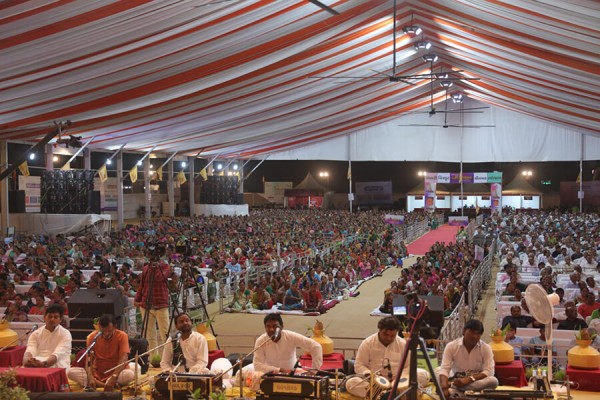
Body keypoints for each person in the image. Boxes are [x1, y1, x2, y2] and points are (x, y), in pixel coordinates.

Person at [355, 316, 430, 387]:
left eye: (392, 336)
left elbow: (409, 365)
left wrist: (400, 377)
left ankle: (392, 392)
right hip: (374, 382)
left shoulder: (402, 344)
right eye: (385, 334)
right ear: (379, 330)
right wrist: (370, 375)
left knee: (423, 375)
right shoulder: (368, 343)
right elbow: (359, 365)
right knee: (351, 383)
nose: (388, 338)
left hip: (398, 382)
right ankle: (381, 393)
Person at [68, 314, 136, 392]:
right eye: (104, 331)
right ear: (99, 327)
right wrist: (91, 377)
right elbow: (89, 360)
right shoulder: (92, 337)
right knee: (71, 372)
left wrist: (114, 376)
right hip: (98, 373)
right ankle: (105, 385)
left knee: (128, 375)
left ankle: (101, 384)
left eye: (109, 331)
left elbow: (123, 358)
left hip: (116, 371)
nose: (106, 334)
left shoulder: (122, 336)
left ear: (115, 327)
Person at [438, 319, 498, 398]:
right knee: (437, 374)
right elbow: (445, 368)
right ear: (464, 331)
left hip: (475, 380)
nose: (474, 336)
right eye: (472, 332)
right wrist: (444, 388)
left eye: (478, 334)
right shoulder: (451, 346)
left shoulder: (486, 348)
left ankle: (455, 390)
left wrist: (470, 379)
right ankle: (468, 395)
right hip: (457, 378)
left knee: (493, 381)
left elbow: (489, 371)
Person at [253, 313, 322, 373]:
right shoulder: (261, 341)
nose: (271, 329)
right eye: (268, 326)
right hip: (270, 374)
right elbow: (257, 365)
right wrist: (278, 370)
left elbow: (316, 347)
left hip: (293, 373)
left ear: (282, 326)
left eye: (275, 326)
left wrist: (314, 371)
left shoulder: (290, 336)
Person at [134, 260, 172, 356]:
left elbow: (159, 277)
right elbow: (142, 286)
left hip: (161, 305)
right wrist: (137, 299)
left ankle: (168, 358)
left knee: (165, 334)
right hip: (146, 305)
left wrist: (156, 266)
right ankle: (154, 358)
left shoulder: (166, 267)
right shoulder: (146, 268)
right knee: (150, 335)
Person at [22, 304, 71, 368]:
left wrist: (44, 364)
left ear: (60, 320)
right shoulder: (36, 333)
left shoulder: (65, 333)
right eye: (50, 316)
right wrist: (27, 361)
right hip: (37, 362)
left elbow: (58, 354)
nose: (52, 319)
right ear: (44, 317)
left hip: (58, 363)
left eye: (55, 317)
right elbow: (30, 350)